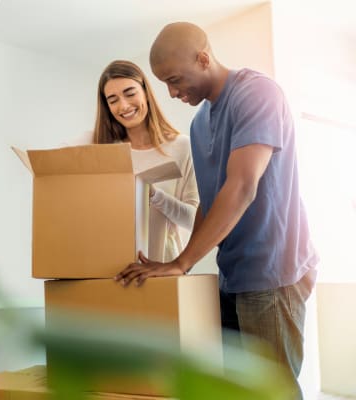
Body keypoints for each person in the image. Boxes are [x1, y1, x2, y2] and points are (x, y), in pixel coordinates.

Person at [115, 22, 319, 399]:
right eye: (165, 84)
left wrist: (181, 262)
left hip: (272, 273)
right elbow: (210, 206)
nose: (172, 93)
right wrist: (179, 261)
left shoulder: (257, 93)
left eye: (176, 80)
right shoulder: (198, 124)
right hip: (232, 275)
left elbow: (241, 187)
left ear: (204, 58)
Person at [92, 59, 199, 263]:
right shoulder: (107, 153)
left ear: (145, 93)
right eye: (113, 100)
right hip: (114, 269)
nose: (124, 106)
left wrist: (152, 194)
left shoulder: (182, 146)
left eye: (130, 94)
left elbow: (193, 220)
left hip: (163, 269)